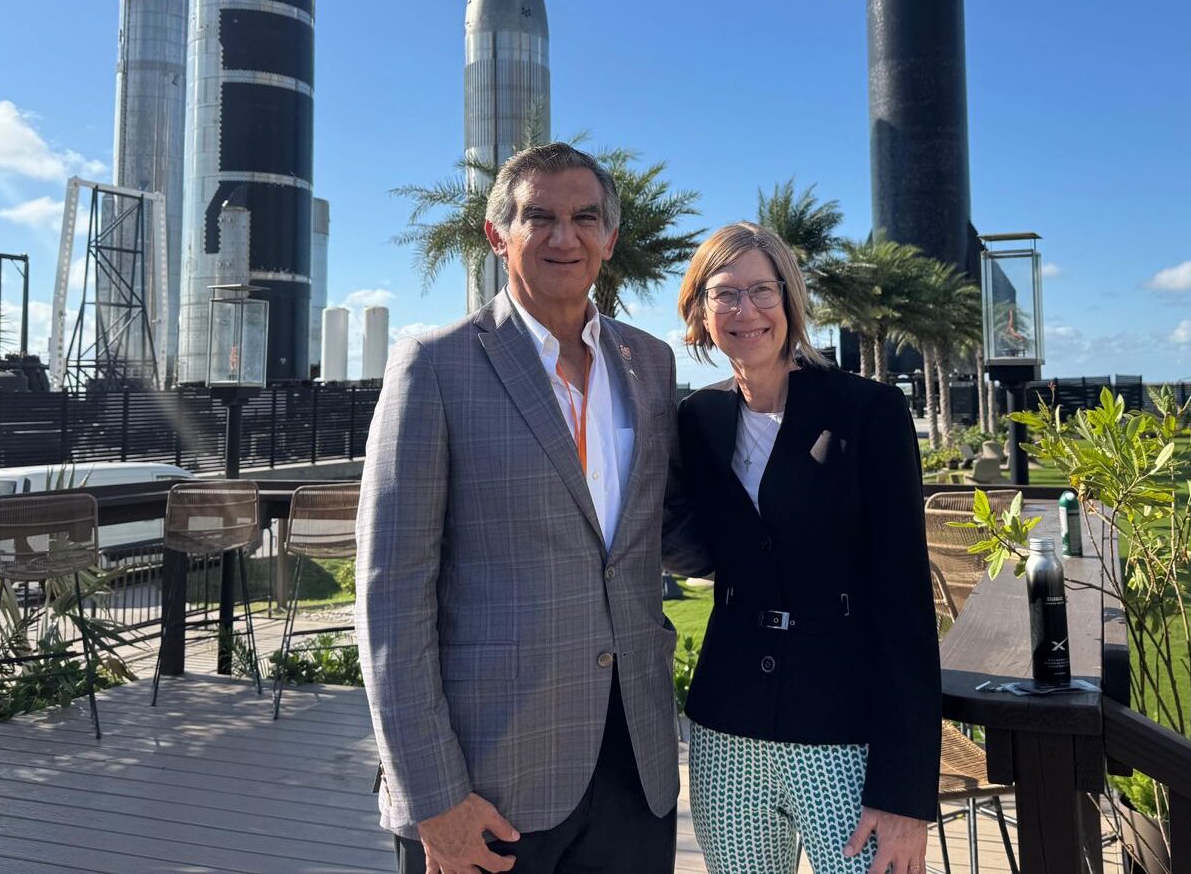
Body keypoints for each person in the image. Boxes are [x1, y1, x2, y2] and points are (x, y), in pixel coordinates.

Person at [357, 142, 692, 874]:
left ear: (609, 237)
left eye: (585, 218)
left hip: (636, 771)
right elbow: (391, 600)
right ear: (497, 234)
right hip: (486, 787)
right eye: (539, 216)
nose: (564, 236)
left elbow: (659, 529)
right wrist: (433, 799)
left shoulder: (649, 363)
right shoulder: (434, 366)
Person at [672, 222, 940, 874]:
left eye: (762, 290)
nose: (745, 310)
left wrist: (905, 794)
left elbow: (906, 602)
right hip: (727, 729)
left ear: (789, 300)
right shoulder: (696, 420)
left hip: (844, 732)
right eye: (724, 293)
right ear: (701, 312)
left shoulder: (867, 411)